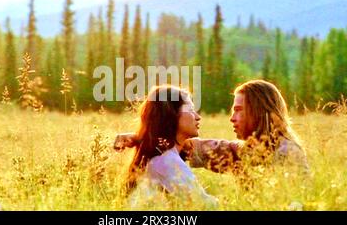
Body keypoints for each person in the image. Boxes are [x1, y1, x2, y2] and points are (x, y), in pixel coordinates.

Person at [114, 80, 309, 176]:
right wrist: (142, 137)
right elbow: (195, 147)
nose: (232, 118)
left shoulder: (287, 153)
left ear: (258, 111)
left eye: (239, 110)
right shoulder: (248, 150)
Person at [121, 85, 218, 209]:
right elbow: (204, 205)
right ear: (171, 115)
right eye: (190, 110)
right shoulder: (166, 161)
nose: (198, 117)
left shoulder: (160, 156)